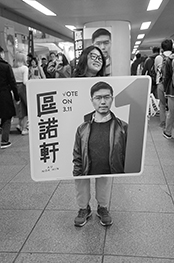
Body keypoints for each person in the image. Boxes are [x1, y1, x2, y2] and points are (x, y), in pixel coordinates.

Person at [72, 45, 114, 227]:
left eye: (100, 57)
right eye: (93, 56)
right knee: (80, 171)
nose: (97, 59)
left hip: (103, 131)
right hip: (80, 133)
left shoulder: (108, 82)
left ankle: (103, 207)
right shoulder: (71, 80)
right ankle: (84, 208)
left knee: (104, 169)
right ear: (84, 58)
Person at [73, 81, 128, 175]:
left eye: (107, 97)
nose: (103, 102)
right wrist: (78, 178)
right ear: (92, 100)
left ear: (112, 99)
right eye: (98, 98)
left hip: (114, 178)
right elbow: (78, 159)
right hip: (88, 177)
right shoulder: (82, 129)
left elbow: (129, 157)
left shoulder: (123, 127)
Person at [0, 46, 20, 148]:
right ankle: (4, 140)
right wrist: (17, 97)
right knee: (6, 117)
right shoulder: (6, 66)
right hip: (4, 95)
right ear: (1, 53)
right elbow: (12, 83)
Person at [155, 39, 173, 128]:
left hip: (161, 83)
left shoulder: (158, 58)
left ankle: (163, 122)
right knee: (173, 105)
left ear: (162, 48)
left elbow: (156, 70)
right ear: (172, 46)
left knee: (162, 104)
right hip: (172, 84)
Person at [12, 51, 29, 135]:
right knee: (26, 108)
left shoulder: (12, 68)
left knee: (19, 108)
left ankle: (19, 125)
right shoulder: (24, 68)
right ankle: (24, 128)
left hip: (14, 88)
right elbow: (25, 81)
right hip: (22, 88)